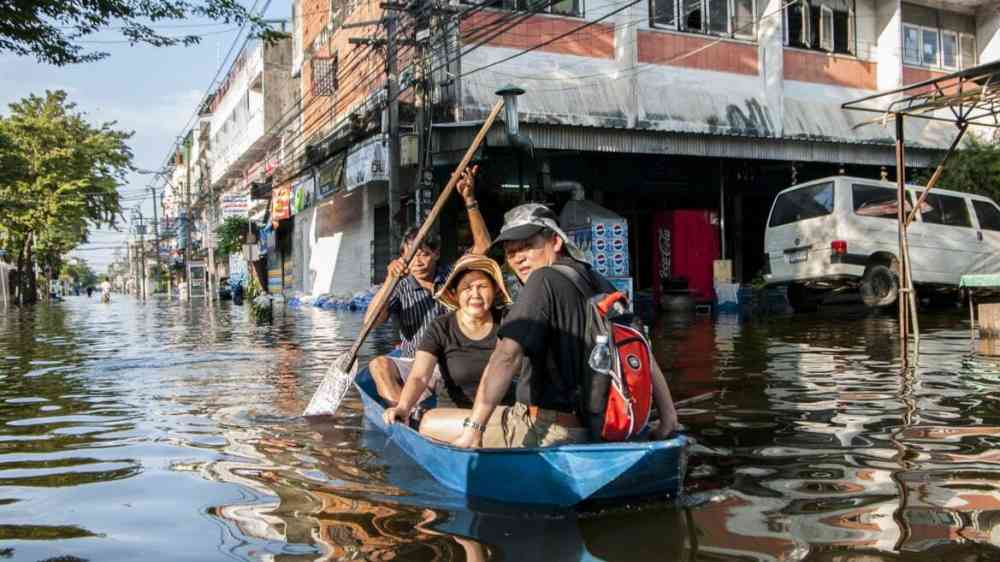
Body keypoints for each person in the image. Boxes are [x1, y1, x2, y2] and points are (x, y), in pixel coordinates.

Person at [445, 203, 679, 449]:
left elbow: (505, 357)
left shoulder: (541, 279)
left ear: (556, 242)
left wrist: (475, 429)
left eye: (526, 246)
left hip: (546, 430)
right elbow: (640, 348)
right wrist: (668, 416)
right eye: (511, 252)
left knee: (429, 421)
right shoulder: (597, 280)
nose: (518, 258)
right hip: (597, 426)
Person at [365, 166, 491, 404]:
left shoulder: (452, 278)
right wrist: (389, 280)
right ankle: (403, 412)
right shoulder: (400, 287)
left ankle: (411, 406)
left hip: (449, 361)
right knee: (378, 364)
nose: (417, 261)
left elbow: (483, 247)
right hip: (413, 363)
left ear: (436, 253)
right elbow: (370, 322)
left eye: (424, 254)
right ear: (403, 257)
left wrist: (470, 200)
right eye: (411, 255)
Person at [382, 254, 514, 438]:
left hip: (499, 415)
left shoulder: (509, 321)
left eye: (482, 286)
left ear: (495, 291)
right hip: (453, 419)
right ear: (454, 293)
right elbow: (419, 376)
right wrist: (403, 408)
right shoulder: (441, 326)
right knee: (428, 422)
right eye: (467, 287)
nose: (475, 294)